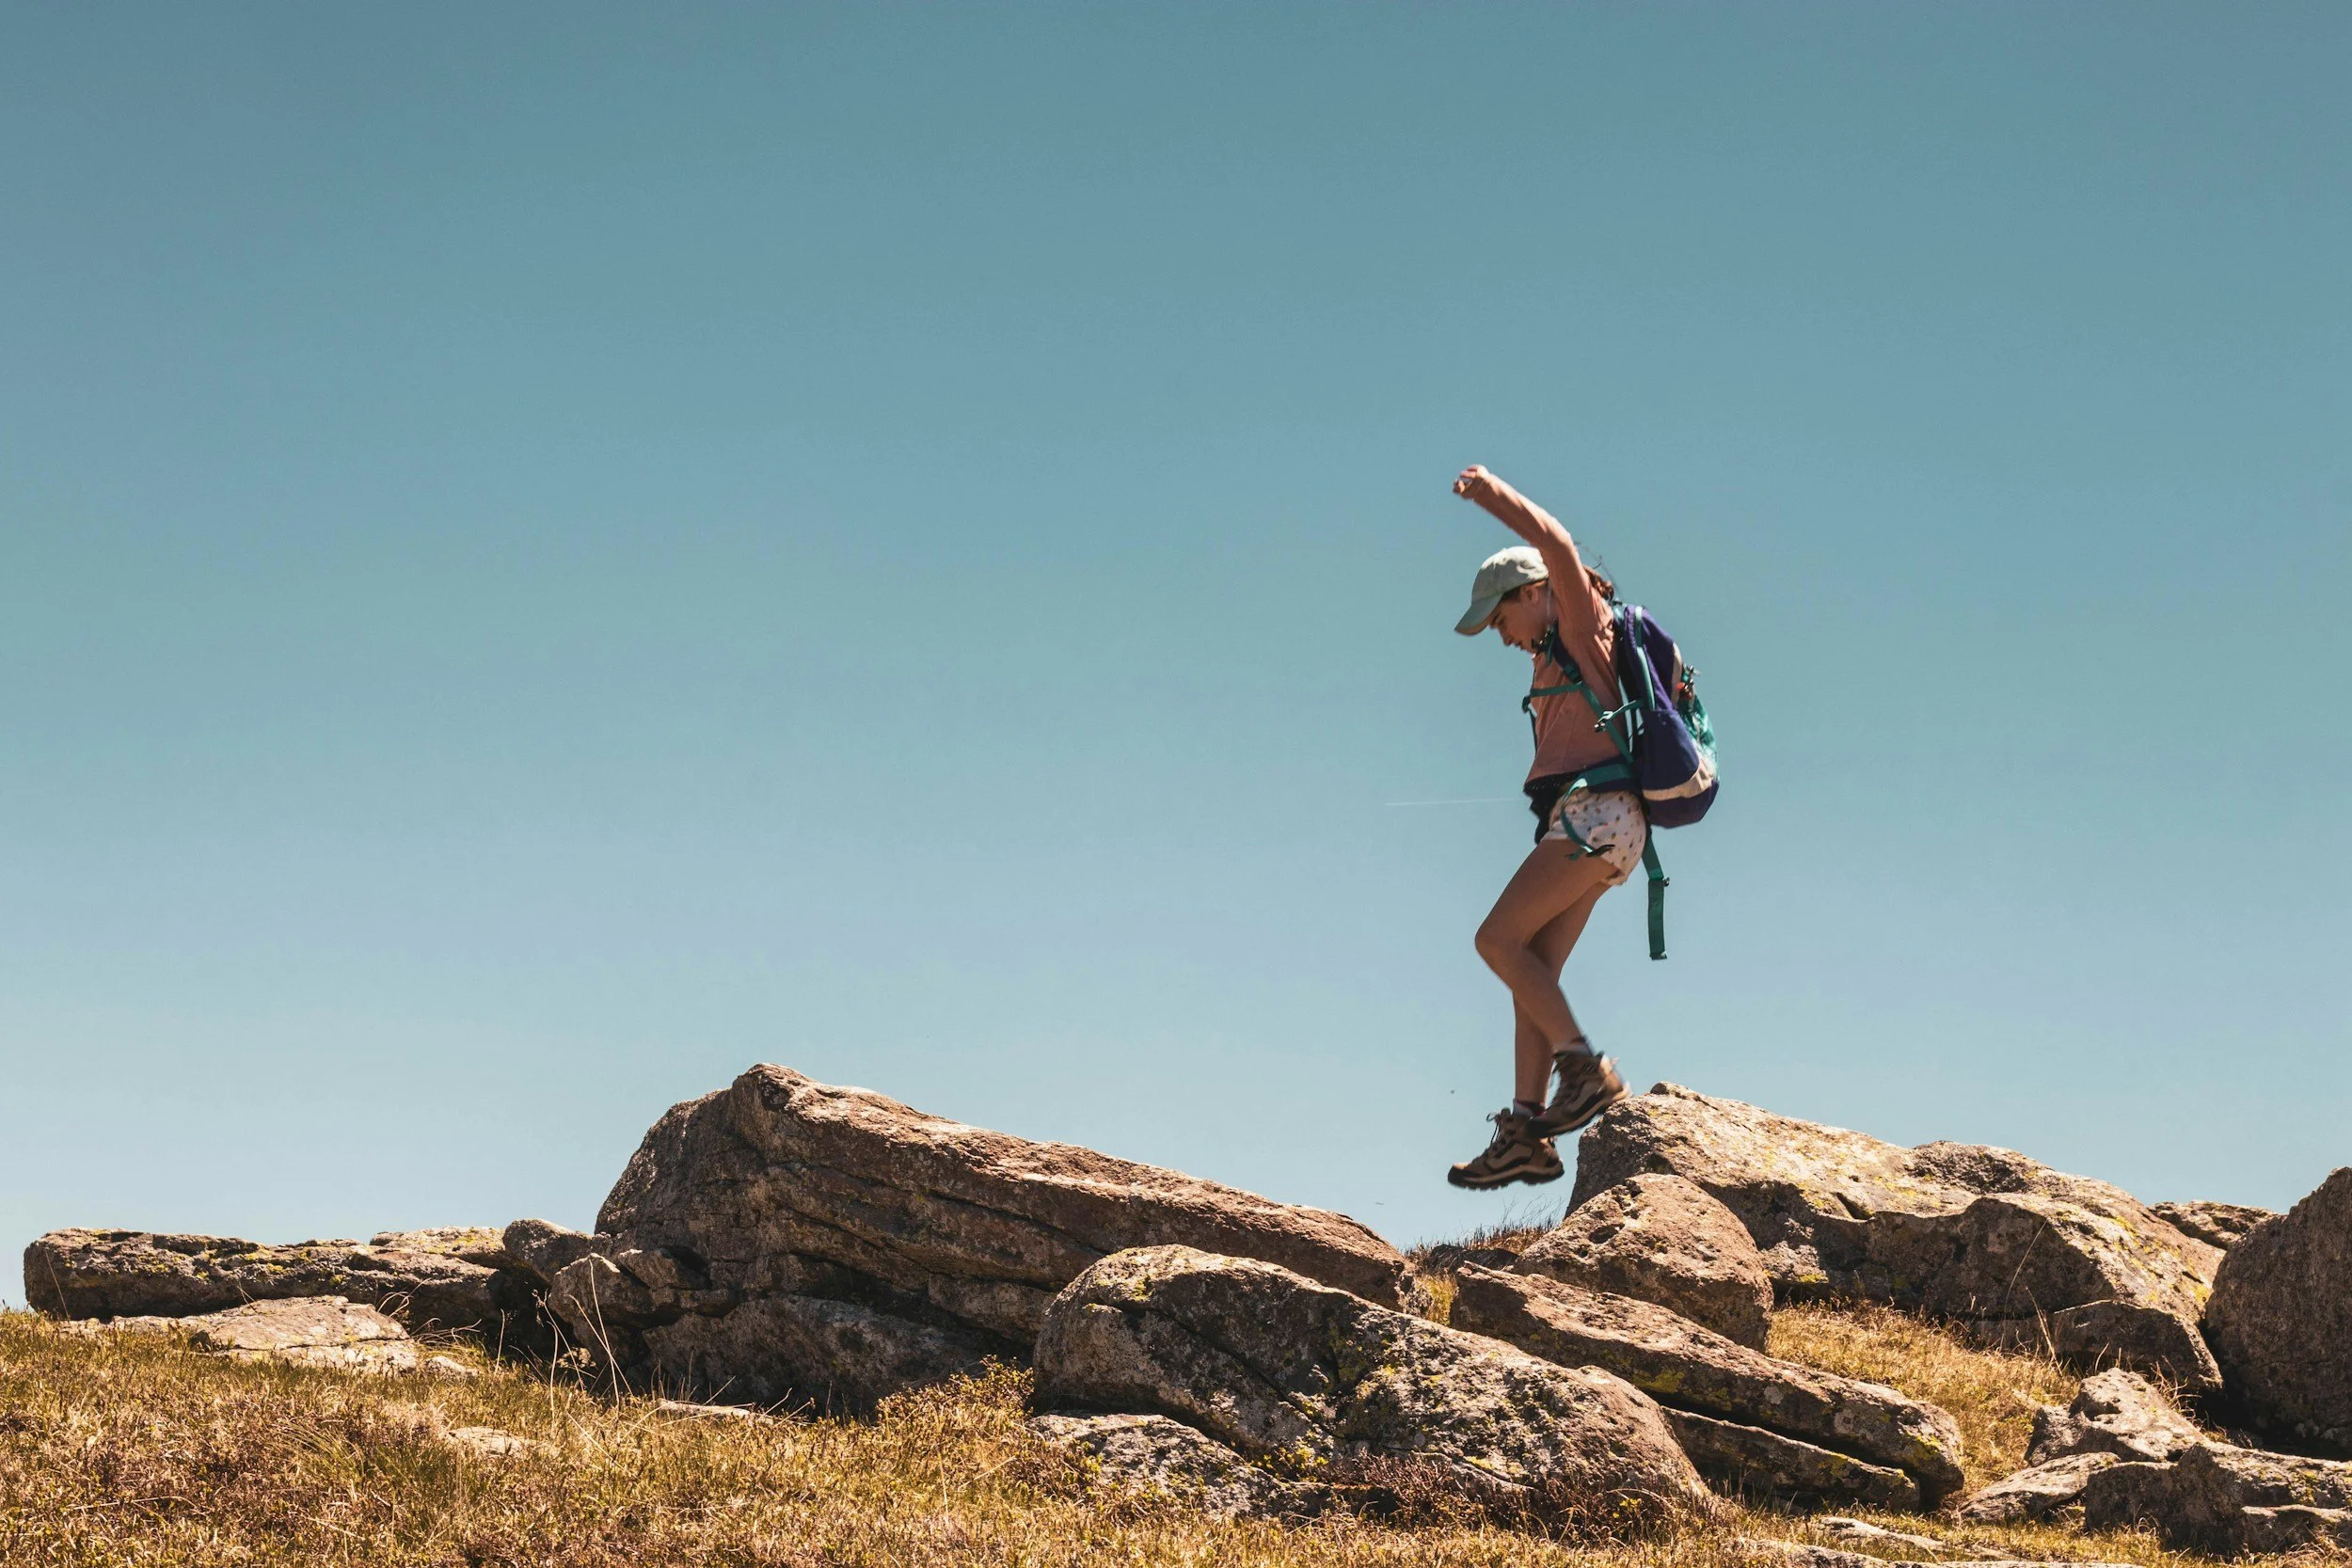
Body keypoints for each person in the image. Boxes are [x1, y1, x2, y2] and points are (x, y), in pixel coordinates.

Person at [1445, 464, 1635, 1189]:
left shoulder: (1583, 623)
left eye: (1501, 617)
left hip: (1596, 815)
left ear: (1534, 593)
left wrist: (1489, 493)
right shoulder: (1554, 653)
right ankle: (1525, 1131)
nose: (1500, 636)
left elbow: (1555, 540)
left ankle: (1584, 1070)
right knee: (1533, 969)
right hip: (1604, 825)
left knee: (1494, 939)